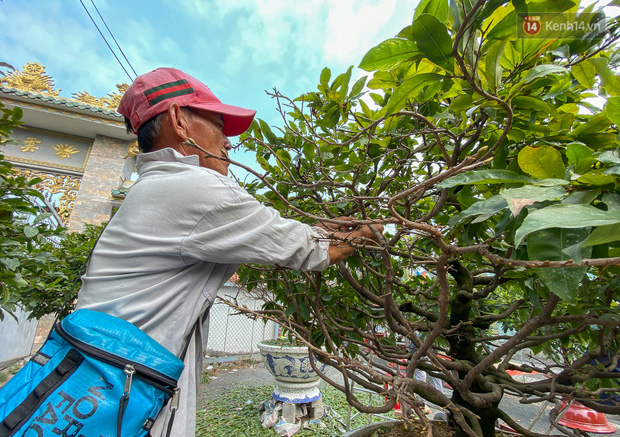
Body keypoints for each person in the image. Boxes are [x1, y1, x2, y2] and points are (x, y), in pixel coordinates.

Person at [75, 67, 382, 437]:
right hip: (122, 400)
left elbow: (289, 234)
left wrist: (320, 232)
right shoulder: (194, 186)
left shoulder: (155, 188)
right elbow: (313, 250)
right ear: (179, 121)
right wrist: (367, 233)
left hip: (96, 388)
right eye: (219, 125)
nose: (228, 142)